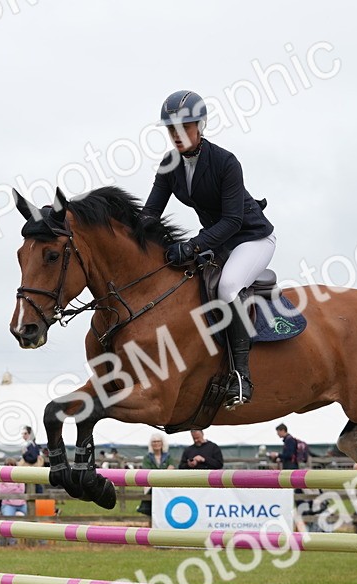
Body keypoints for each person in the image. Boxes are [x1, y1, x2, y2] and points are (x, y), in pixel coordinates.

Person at [141, 89, 275, 408]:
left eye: (184, 127)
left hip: (251, 238)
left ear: (200, 126)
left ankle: (241, 377)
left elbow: (233, 220)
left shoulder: (225, 162)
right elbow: (150, 214)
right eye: (171, 129)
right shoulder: (170, 164)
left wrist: (193, 245)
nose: (176, 134)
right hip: (218, 241)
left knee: (228, 286)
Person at [137, 433, 176, 516]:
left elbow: (172, 467)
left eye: (158, 441)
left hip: (165, 484)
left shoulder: (168, 456)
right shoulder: (147, 457)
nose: (156, 444)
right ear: (151, 444)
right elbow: (147, 471)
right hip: (151, 484)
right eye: (154, 442)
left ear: (162, 443)